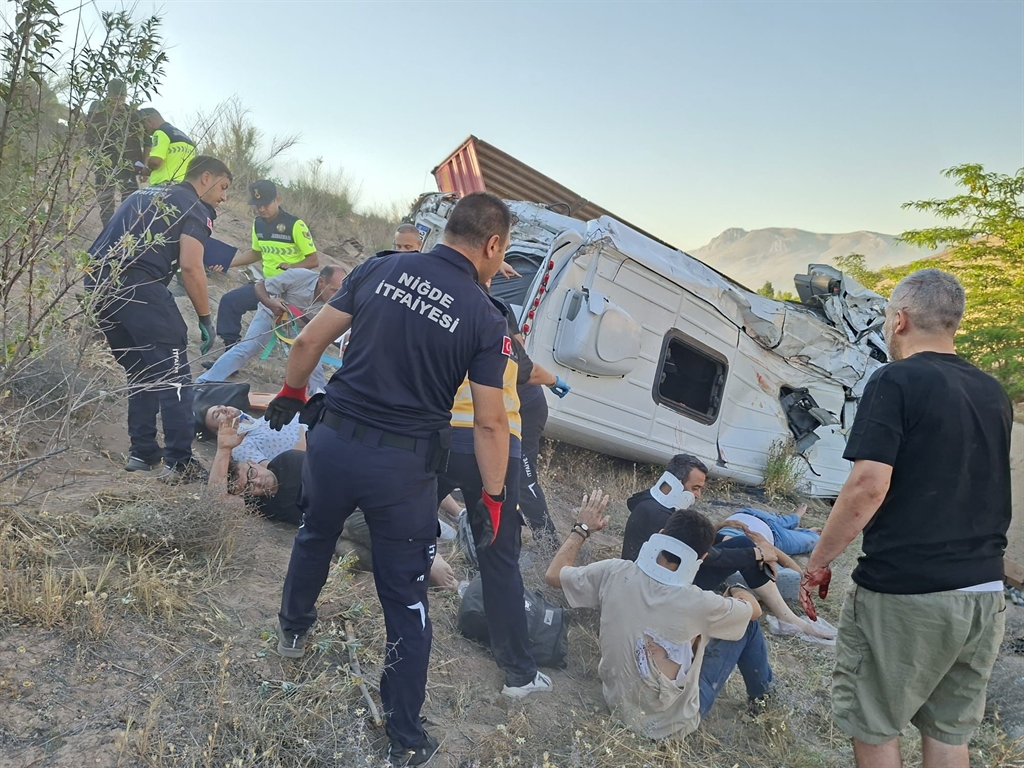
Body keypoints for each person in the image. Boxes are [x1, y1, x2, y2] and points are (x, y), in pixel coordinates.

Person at [263, 191, 516, 766]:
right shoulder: (483, 314)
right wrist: (495, 498)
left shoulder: (381, 267)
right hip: (401, 470)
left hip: (332, 441)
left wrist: (292, 392)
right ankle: (405, 735)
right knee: (404, 598)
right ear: (493, 244)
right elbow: (492, 422)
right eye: (502, 258)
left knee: (315, 534)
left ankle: (292, 632)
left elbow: (307, 341)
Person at [800, 269, 1013, 768]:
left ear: (899, 320)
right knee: (948, 733)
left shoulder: (895, 379)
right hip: (984, 595)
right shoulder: (992, 391)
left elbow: (868, 485)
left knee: (874, 726)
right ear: (952, 323)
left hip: (907, 594)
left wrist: (820, 560)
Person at [545, 491, 773, 739]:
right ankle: (764, 699)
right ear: (703, 557)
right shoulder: (699, 601)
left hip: (618, 705)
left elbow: (554, 575)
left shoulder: (614, 571)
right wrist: (736, 590)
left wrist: (582, 529)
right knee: (747, 625)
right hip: (670, 725)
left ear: (661, 535)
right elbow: (755, 611)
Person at [434, 284, 555, 701]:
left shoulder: (442, 306)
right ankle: (519, 675)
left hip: (442, 431)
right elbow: (524, 368)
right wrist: (556, 379)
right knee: (501, 558)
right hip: (497, 438)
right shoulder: (497, 316)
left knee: (405, 526)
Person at [84, 155, 232, 482]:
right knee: (175, 376)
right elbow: (192, 266)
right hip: (140, 287)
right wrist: (205, 318)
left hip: (96, 285)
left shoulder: (144, 193)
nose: (223, 197)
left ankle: (143, 453)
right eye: (223, 187)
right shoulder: (194, 206)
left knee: (142, 371)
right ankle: (179, 462)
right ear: (205, 178)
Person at [207, 418, 459, 589]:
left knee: (348, 522)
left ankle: (426, 555)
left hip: (354, 507)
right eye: (247, 487)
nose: (256, 483)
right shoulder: (262, 505)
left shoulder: (287, 461)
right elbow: (215, 502)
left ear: (253, 464)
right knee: (344, 551)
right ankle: (417, 571)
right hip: (331, 530)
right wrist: (223, 450)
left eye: (251, 475)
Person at [622, 454, 832, 640]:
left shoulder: (653, 504)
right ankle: (789, 619)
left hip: (665, 577)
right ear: (675, 484)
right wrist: (756, 554)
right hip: (661, 590)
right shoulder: (658, 515)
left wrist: (721, 533)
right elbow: (708, 557)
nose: (698, 495)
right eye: (695, 488)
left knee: (741, 543)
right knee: (747, 550)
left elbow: (689, 544)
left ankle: (787, 617)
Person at [197, 265, 345, 392]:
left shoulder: (341, 298)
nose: (337, 295)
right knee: (247, 348)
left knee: (314, 365)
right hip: (270, 314)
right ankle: (203, 383)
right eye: (333, 290)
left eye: (340, 291)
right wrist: (270, 303)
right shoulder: (298, 276)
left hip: (299, 327)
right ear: (321, 282)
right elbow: (260, 285)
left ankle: (318, 403)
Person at [213, 180, 320, 352]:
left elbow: (313, 260)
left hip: (290, 290)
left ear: (277, 199)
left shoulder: (295, 225)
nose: (261, 209)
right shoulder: (258, 224)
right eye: (257, 205)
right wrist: (226, 264)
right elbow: (256, 253)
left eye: (265, 204)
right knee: (230, 301)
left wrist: (292, 266)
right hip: (266, 285)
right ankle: (230, 350)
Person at [86, 79, 144, 226]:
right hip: (105, 160)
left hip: (128, 162)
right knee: (105, 199)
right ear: (108, 95)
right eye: (115, 98)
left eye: (122, 98)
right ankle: (108, 230)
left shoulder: (132, 112)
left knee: (131, 199)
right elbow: (90, 133)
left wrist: (141, 163)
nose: (119, 102)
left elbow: (141, 138)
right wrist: (94, 153)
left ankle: (127, 230)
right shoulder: (97, 108)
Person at [717, 504, 820, 556]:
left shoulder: (711, 544)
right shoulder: (747, 552)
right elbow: (776, 556)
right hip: (775, 536)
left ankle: (795, 518)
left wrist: (722, 524)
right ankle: (801, 528)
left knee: (784, 521)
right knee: (814, 539)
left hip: (747, 514)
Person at [138, 108, 196, 186]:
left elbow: (155, 161)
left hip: (165, 185)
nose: (144, 131)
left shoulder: (160, 132)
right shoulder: (185, 137)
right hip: (184, 185)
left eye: (143, 126)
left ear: (149, 121)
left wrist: (146, 169)